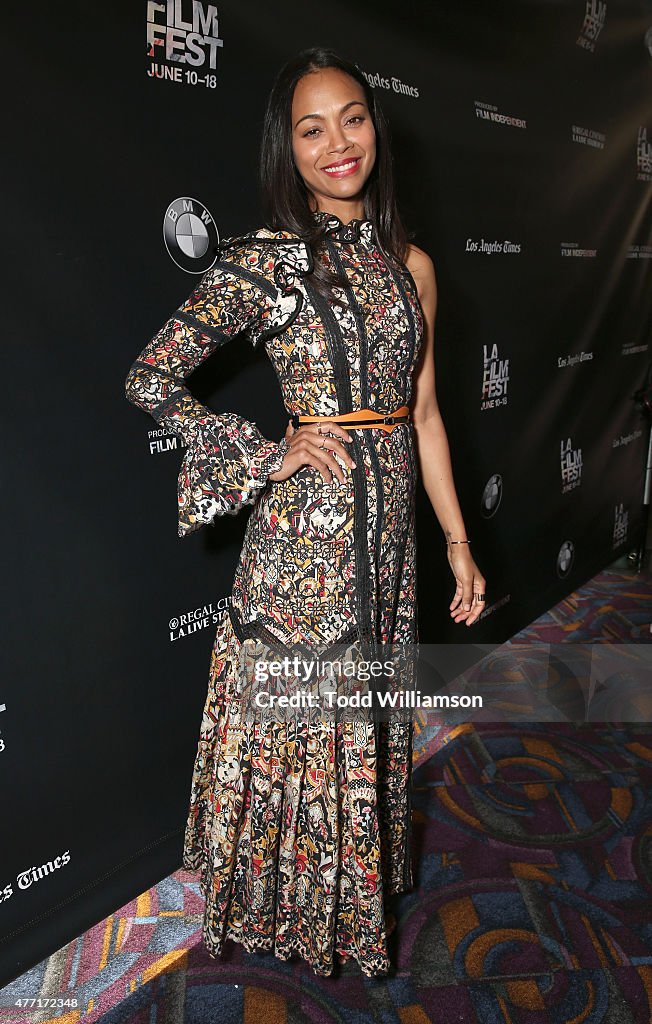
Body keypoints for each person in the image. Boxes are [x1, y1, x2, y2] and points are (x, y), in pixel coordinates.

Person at [125, 46, 486, 978]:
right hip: (306, 545)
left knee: (360, 724)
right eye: (311, 128)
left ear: (376, 126)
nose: (338, 143)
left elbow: (427, 413)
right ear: (287, 149)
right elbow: (151, 376)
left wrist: (457, 544)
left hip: (392, 541)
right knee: (302, 726)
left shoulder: (416, 266)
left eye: (353, 117)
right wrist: (263, 451)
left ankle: (349, 901)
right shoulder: (268, 263)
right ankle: (277, 909)